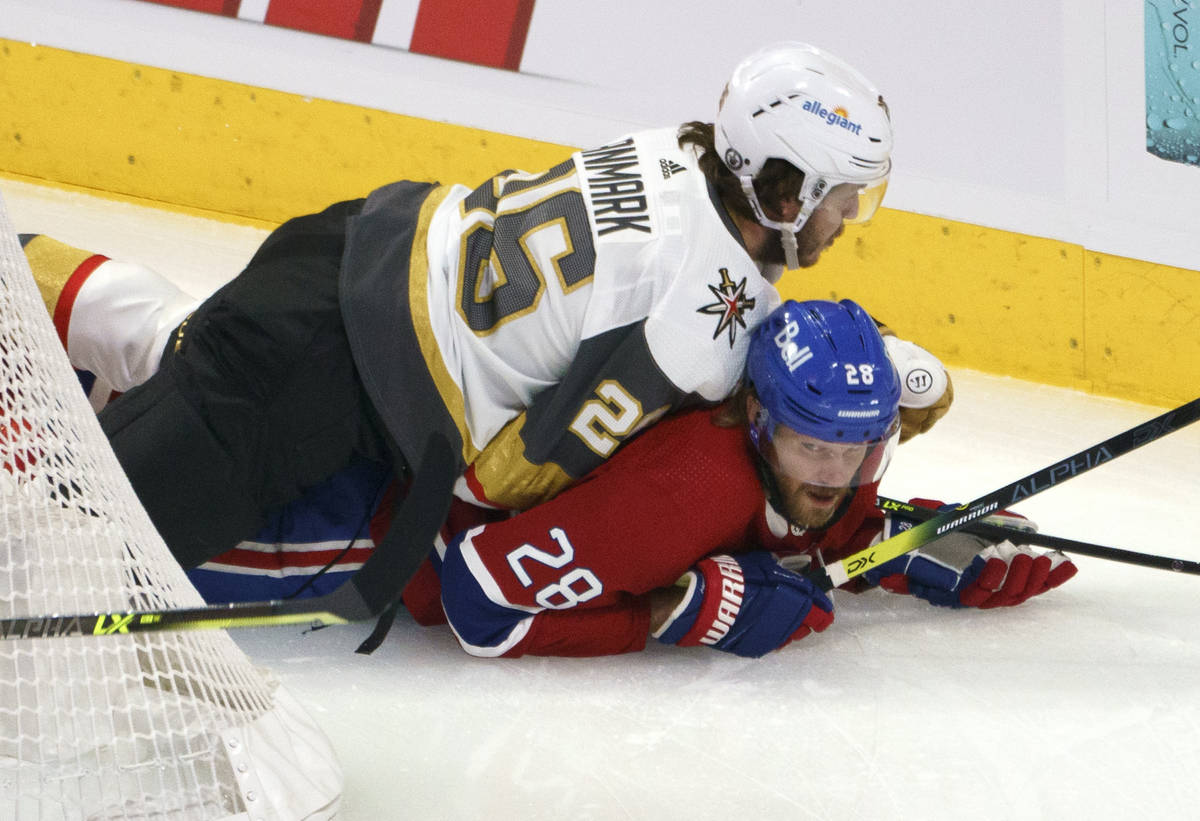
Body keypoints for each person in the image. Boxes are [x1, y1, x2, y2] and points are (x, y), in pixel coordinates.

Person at [24, 41, 954, 574]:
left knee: (175, 345)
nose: (844, 219)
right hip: (316, 376)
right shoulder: (690, 333)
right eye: (837, 195)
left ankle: (23, 268)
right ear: (780, 184)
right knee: (95, 548)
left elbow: (686, 295)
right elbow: (523, 467)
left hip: (355, 240)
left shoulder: (681, 147)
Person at [395, 299, 1076, 659]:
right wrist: (676, 612)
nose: (838, 475)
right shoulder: (683, 492)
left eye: (862, 449)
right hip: (372, 529)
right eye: (815, 445)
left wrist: (891, 541)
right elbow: (478, 602)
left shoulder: (808, 446)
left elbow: (813, 499)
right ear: (756, 416)